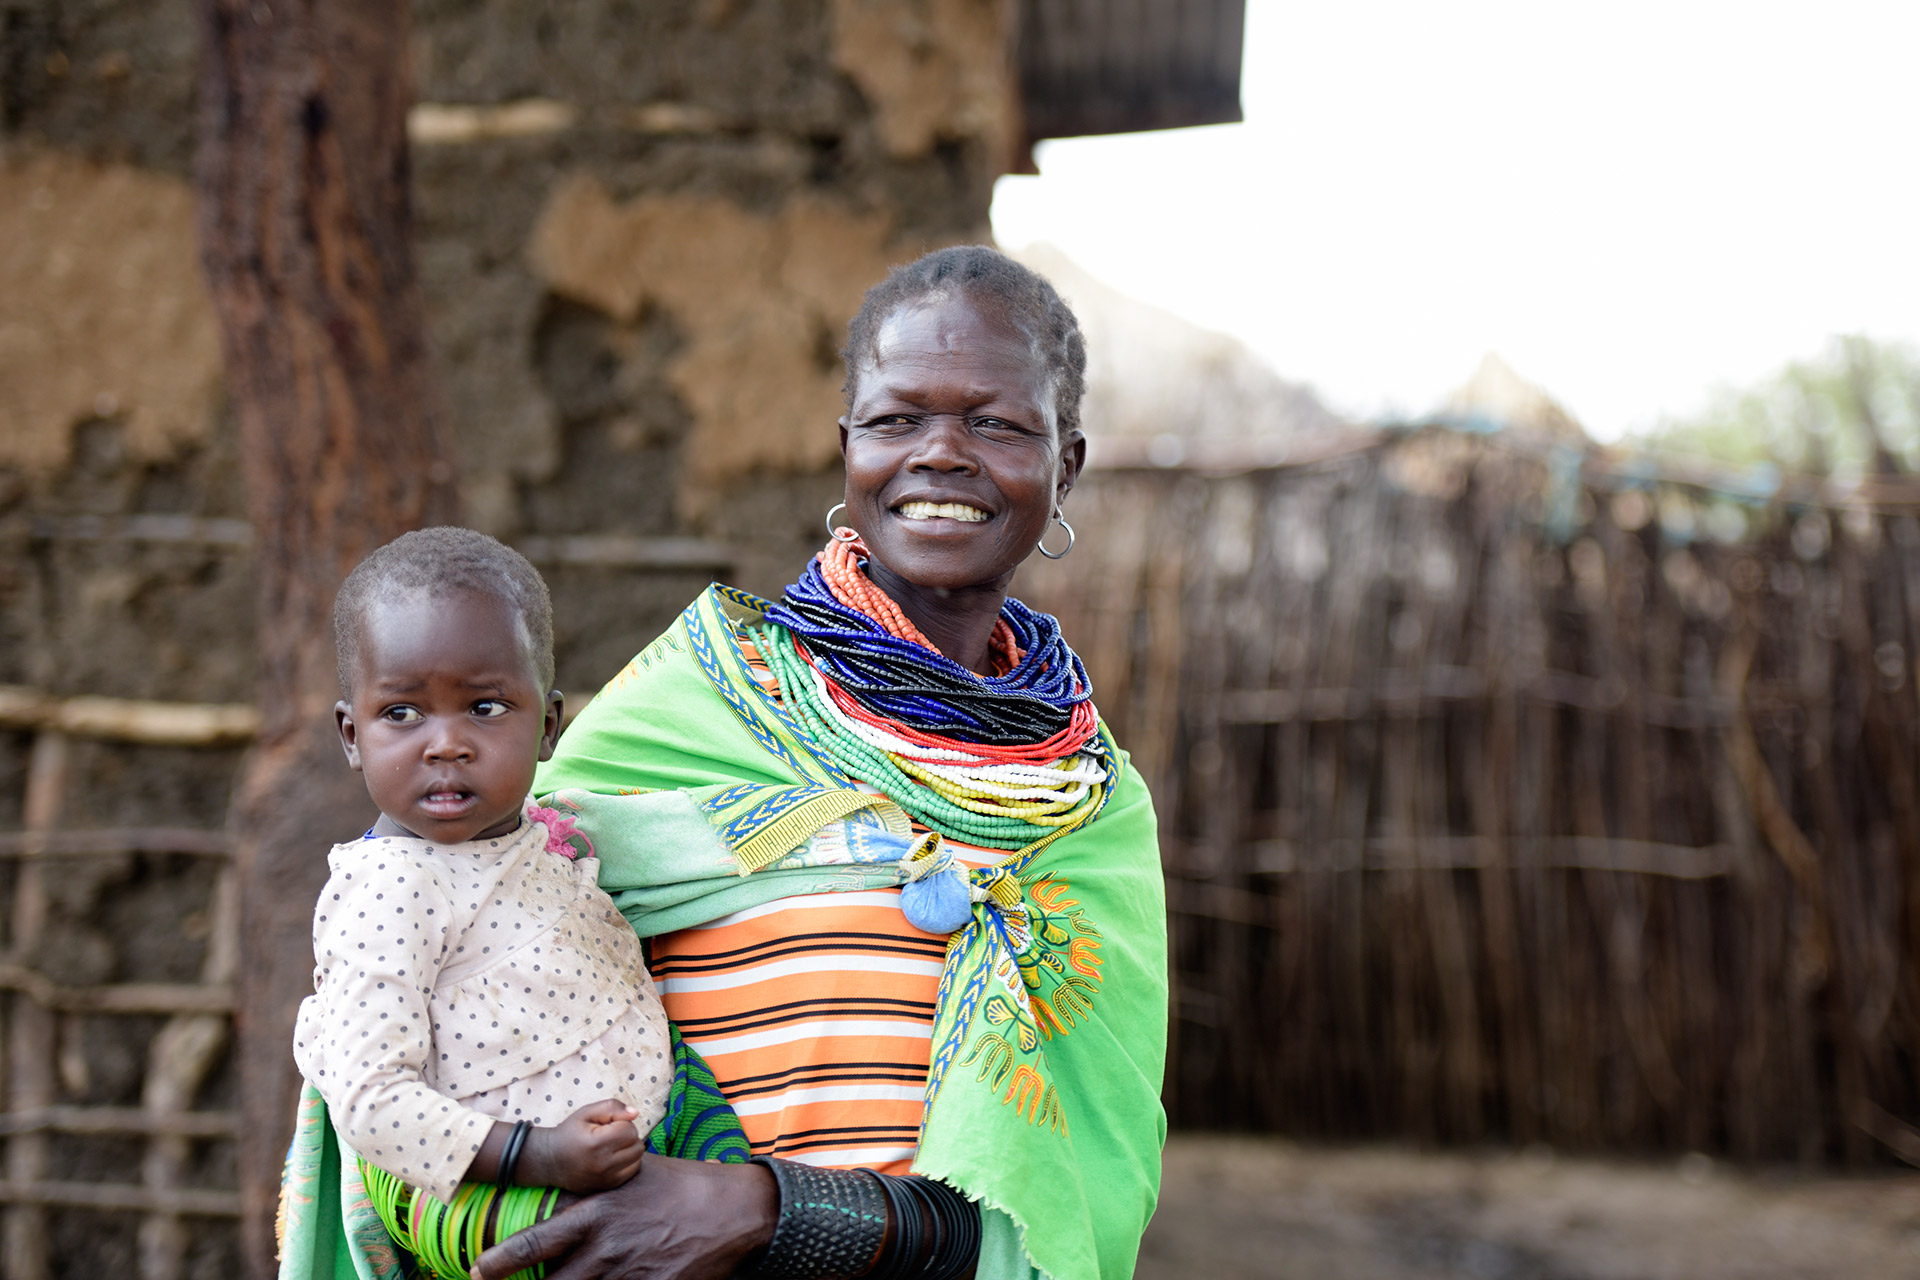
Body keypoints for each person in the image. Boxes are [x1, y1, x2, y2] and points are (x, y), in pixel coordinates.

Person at [473, 246, 1168, 1280]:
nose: (941, 452)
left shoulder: (1087, 803)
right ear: (847, 450)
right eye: (896, 420)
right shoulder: (684, 711)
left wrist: (772, 1208)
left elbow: (1068, 1184)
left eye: (996, 423)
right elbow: (462, 978)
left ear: (1065, 463)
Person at [277, 529, 749, 1280]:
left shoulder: (549, 836)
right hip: (503, 1193)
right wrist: (541, 1154)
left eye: (486, 707)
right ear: (351, 734)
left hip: (657, 1133)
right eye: (402, 714)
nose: (446, 744)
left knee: (758, 1216)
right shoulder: (391, 886)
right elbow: (371, 1101)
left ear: (549, 726)